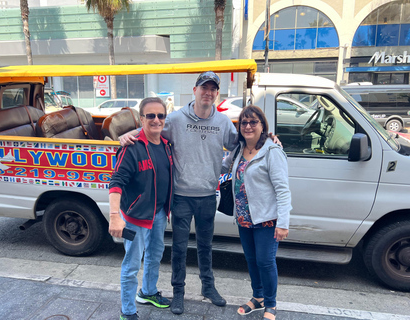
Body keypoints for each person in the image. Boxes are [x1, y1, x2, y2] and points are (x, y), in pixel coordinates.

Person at [120, 71, 236, 314]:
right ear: (195, 90)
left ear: (217, 93)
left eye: (213, 88)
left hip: (207, 196)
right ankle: (178, 293)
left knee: (206, 246)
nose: (208, 92)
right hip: (181, 197)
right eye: (204, 87)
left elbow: (242, 144)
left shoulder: (224, 123)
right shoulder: (174, 119)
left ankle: (208, 287)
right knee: (179, 249)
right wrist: (126, 134)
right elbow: (150, 131)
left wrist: (224, 167)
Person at [221, 105, 291, 320]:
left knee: (265, 261)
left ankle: (271, 303)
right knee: (252, 260)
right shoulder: (238, 149)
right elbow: (223, 167)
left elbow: (283, 189)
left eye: (253, 122)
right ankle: (258, 297)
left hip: (266, 219)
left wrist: (283, 223)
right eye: (244, 122)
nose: (248, 126)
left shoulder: (272, 151)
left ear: (262, 126)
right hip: (243, 217)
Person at [109, 97, 174, 320]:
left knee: (155, 254)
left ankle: (147, 292)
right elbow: (116, 182)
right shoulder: (131, 148)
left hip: (158, 214)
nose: (156, 120)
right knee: (131, 265)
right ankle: (127, 312)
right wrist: (114, 216)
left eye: (161, 115)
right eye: (150, 116)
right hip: (135, 217)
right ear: (141, 118)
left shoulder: (166, 145)